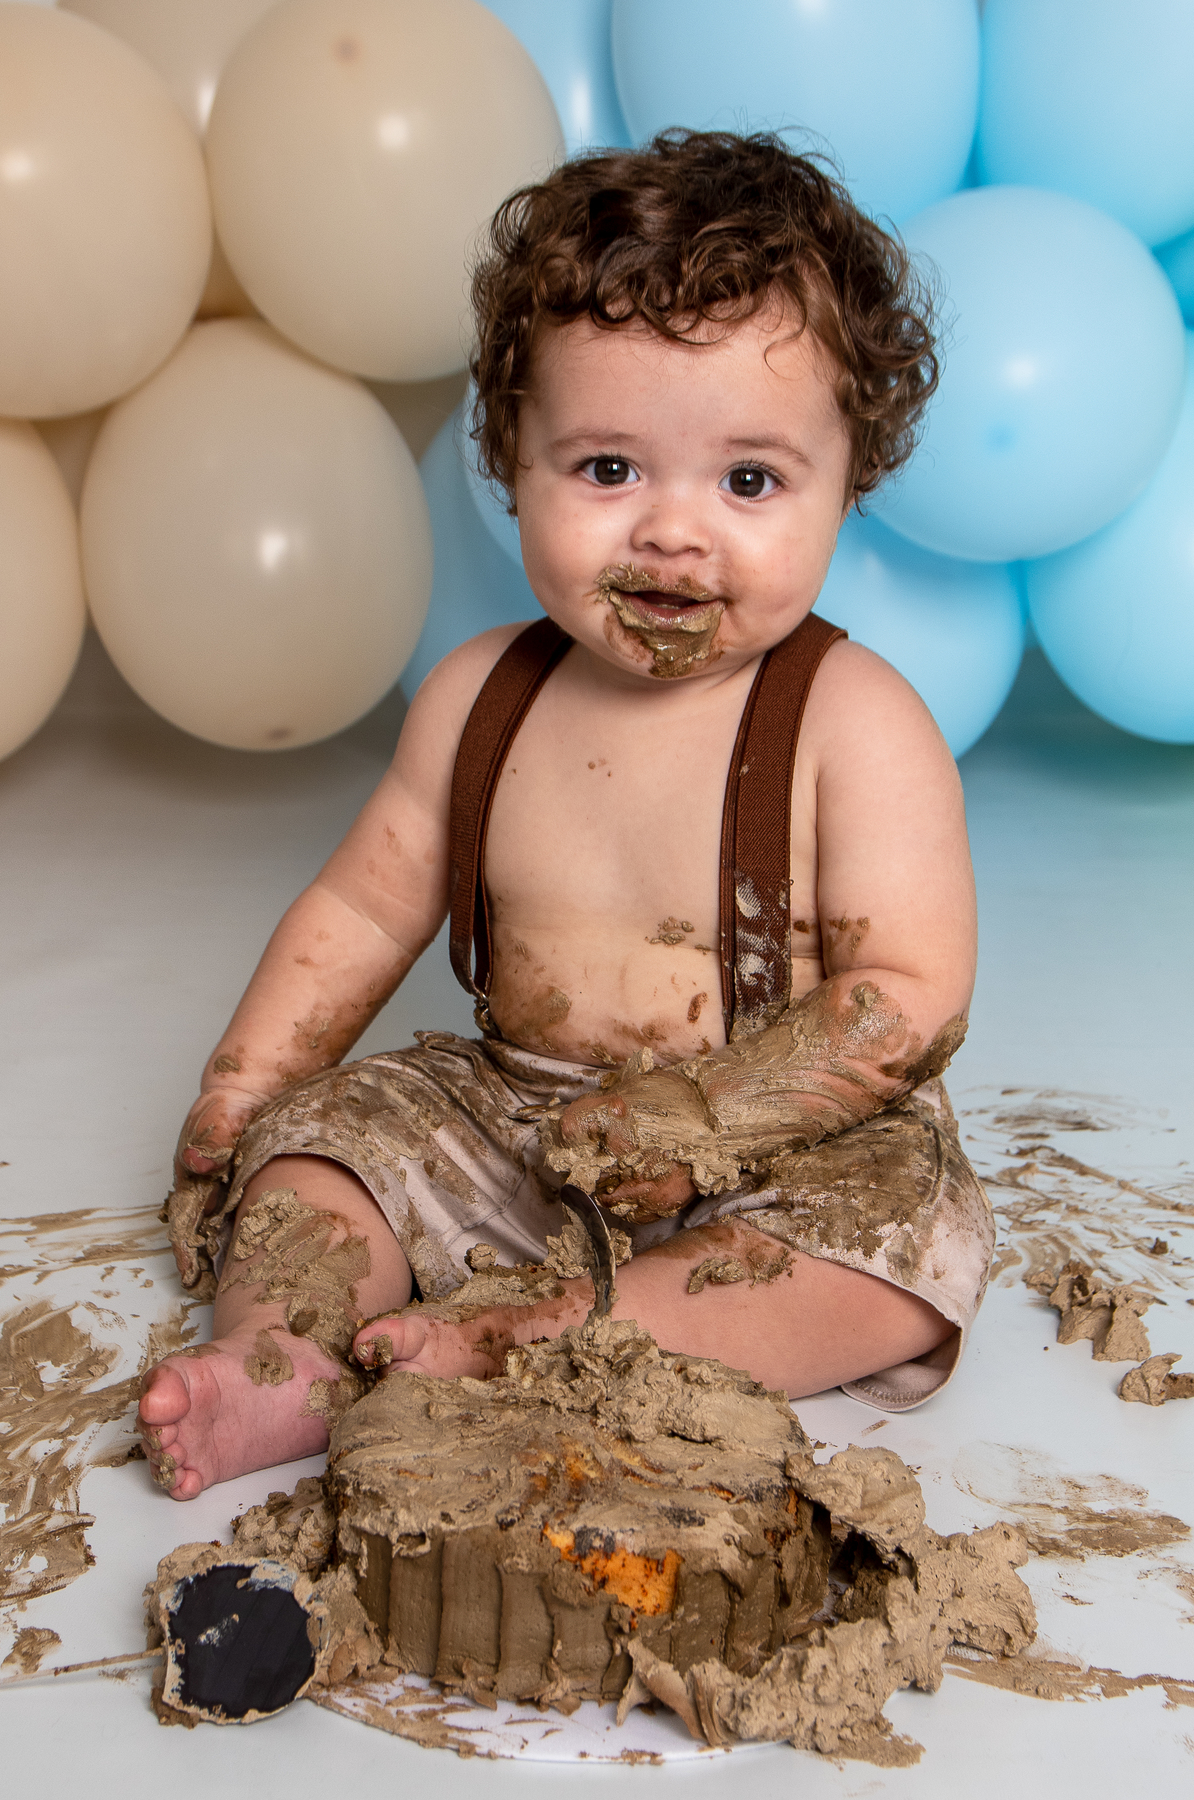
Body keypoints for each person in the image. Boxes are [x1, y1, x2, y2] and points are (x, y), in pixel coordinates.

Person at [137, 131, 992, 1501]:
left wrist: (700, 1114)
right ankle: (280, 1358)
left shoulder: (855, 722)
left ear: (851, 483)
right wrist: (247, 1082)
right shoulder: (482, 697)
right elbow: (365, 904)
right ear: (510, 456)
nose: (671, 533)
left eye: (750, 482)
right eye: (607, 470)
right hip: (519, 1119)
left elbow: (904, 995)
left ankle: (557, 1330)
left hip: (770, 1145)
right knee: (326, 1150)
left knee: (903, 1244)